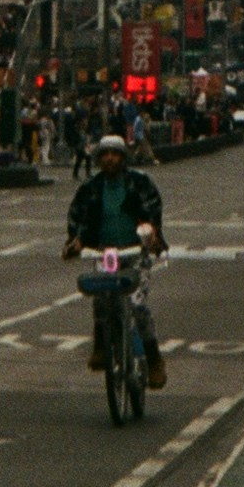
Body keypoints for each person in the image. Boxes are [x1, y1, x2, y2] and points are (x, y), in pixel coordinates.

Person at [64, 127, 167, 389]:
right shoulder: (90, 188)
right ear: (98, 159)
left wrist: (153, 236)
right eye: (105, 154)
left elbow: (153, 211)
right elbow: (77, 217)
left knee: (138, 306)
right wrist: (75, 242)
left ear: (124, 157)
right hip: (104, 251)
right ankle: (100, 346)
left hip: (135, 252)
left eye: (115, 154)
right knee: (101, 298)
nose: (109, 159)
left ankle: (154, 359)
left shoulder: (140, 182)